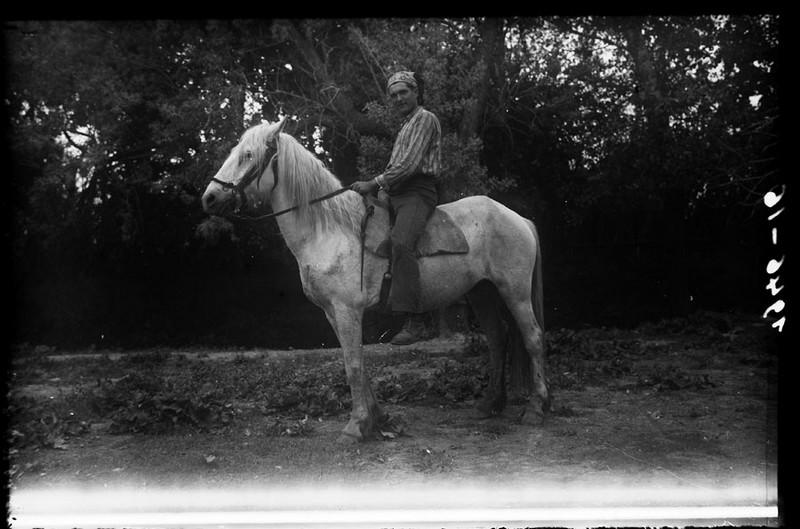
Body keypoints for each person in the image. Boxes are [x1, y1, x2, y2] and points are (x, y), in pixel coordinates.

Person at [351, 71, 442, 345]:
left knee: (402, 243)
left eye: (403, 92)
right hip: (397, 193)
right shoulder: (405, 125)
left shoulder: (425, 119)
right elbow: (396, 169)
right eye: (394, 95)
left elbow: (409, 166)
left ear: (416, 92)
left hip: (417, 193)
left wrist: (372, 183)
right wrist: (380, 190)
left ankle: (418, 321)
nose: (399, 98)